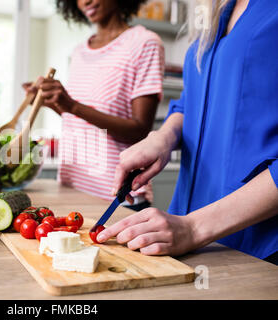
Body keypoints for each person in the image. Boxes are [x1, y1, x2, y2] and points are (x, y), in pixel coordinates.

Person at [97, 0, 278, 264]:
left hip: (259, 251)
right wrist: (162, 138)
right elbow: (190, 102)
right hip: (187, 239)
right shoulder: (219, 10)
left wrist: (194, 228)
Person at [24, 0, 164, 210]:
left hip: (117, 198)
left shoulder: (144, 43)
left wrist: (71, 105)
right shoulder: (80, 51)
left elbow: (140, 130)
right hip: (74, 189)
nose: (85, 2)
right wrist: (50, 103)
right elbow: (79, 120)